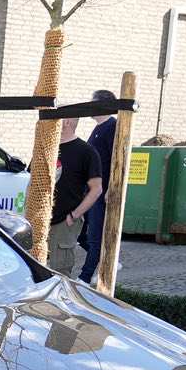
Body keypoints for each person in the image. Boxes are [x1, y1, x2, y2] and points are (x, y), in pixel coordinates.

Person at [49, 114, 103, 278]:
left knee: (59, 272)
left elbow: (96, 189)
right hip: (41, 221)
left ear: (65, 122)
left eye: (54, 119)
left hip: (64, 222)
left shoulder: (86, 151)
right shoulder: (48, 147)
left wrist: (74, 215)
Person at [82, 89, 119, 283]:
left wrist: (111, 188)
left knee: (95, 234)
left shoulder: (112, 127)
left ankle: (85, 277)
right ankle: (108, 260)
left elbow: (116, 160)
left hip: (100, 192)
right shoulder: (98, 128)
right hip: (89, 191)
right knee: (80, 232)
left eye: (92, 102)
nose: (89, 105)